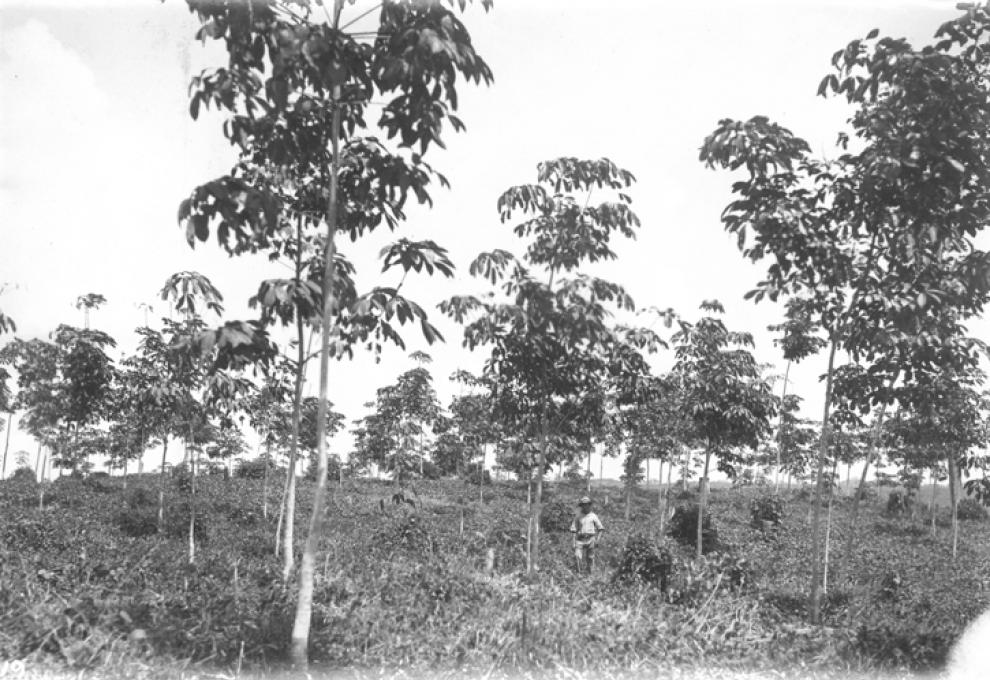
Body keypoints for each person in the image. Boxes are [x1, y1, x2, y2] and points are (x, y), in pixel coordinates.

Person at [570, 496, 604, 574]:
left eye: (586, 504)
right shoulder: (578, 516)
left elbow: (600, 529)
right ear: (581, 506)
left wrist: (598, 540)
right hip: (580, 539)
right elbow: (574, 529)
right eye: (583, 505)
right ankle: (579, 574)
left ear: (589, 505)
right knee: (577, 556)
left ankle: (590, 575)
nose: (585, 506)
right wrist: (573, 542)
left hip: (591, 539)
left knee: (590, 558)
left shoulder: (593, 516)